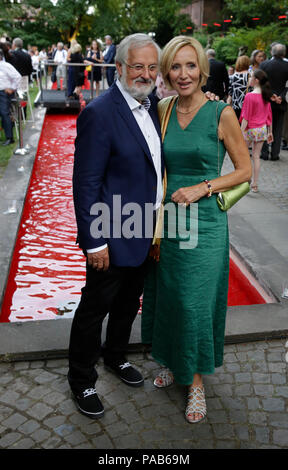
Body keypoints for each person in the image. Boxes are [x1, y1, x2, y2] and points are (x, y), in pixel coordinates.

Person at [141, 36, 252, 424]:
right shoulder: (163, 109)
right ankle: (174, 362)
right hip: (169, 221)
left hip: (205, 222)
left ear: (202, 70)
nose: (183, 74)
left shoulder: (221, 113)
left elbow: (244, 172)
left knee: (195, 303)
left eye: (190, 66)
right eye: (175, 67)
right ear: (167, 72)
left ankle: (197, 382)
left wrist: (203, 187)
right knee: (169, 295)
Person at [68, 33, 163, 419]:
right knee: (95, 309)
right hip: (111, 230)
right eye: (137, 66)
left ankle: (115, 357)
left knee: (128, 302)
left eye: (151, 67)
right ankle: (81, 380)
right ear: (120, 67)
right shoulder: (100, 112)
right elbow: (86, 183)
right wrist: (94, 242)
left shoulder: (154, 104)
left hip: (146, 227)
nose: (145, 73)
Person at [240, 69, 273, 193]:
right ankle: (255, 184)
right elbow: (269, 116)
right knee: (256, 156)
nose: (249, 79)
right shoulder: (266, 95)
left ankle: (245, 181)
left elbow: (246, 116)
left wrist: (240, 131)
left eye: (251, 77)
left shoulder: (250, 96)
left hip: (250, 129)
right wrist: (270, 131)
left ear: (256, 80)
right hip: (262, 129)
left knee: (244, 156)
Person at [259, 43, 288, 161]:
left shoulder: (264, 64)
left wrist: (271, 95)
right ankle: (275, 154)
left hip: (266, 100)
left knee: (265, 126)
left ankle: (264, 152)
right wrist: (280, 96)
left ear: (272, 52)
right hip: (281, 101)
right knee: (278, 127)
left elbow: (261, 82)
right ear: (284, 54)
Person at [0, 48, 21, 145]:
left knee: (4, 113)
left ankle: (9, 137)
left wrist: (12, 88)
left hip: (3, 93)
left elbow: (17, 76)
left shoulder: (6, 66)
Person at [227, 55, 250, 119]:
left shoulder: (233, 76)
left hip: (236, 105)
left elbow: (230, 92)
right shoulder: (250, 75)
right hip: (248, 105)